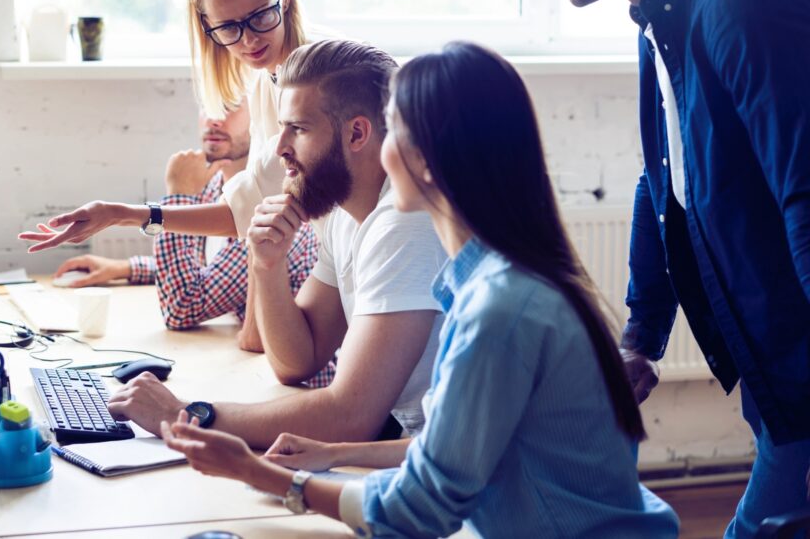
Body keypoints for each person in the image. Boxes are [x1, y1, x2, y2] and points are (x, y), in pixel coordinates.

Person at [160, 41, 680, 538]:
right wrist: (333, 453)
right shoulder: (490, 278)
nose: (383, 152)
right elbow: (449, 449)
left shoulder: (498, 309)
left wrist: (258, 473)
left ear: (426, 159)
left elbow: (422, 506)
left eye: (395, 133)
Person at [534, 0, 810, 535]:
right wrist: (641, 338)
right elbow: (665, 182)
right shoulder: (662, 17)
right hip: (779, 382)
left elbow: (808, 197)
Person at [106, 39, 445, 448]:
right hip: (404, 448)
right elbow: (297, 362)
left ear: (357, 133)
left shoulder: (403, 223)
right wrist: (267, 265)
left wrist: (183, 415)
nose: (280, 148)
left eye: (298, 129)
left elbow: (350, 416)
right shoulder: (344, 215)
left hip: (444, 470)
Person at [19, 0, 313, 250]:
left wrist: (121, 214)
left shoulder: (314, 78)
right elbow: (250, 210)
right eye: (228, 28)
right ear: (207, 25)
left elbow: (244, 213)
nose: (249, 41)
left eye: (259, 17)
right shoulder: (265, 80)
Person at [48, 103, 326, 388]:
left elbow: (183, 307)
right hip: (250, 370)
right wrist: (127, 268)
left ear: (258, 112)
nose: (215, 119)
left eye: (229, 106)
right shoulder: (215, 183)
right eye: (208, 105)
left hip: (294, 388)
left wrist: (179, 195)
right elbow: (214, 269)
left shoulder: (274, 206)